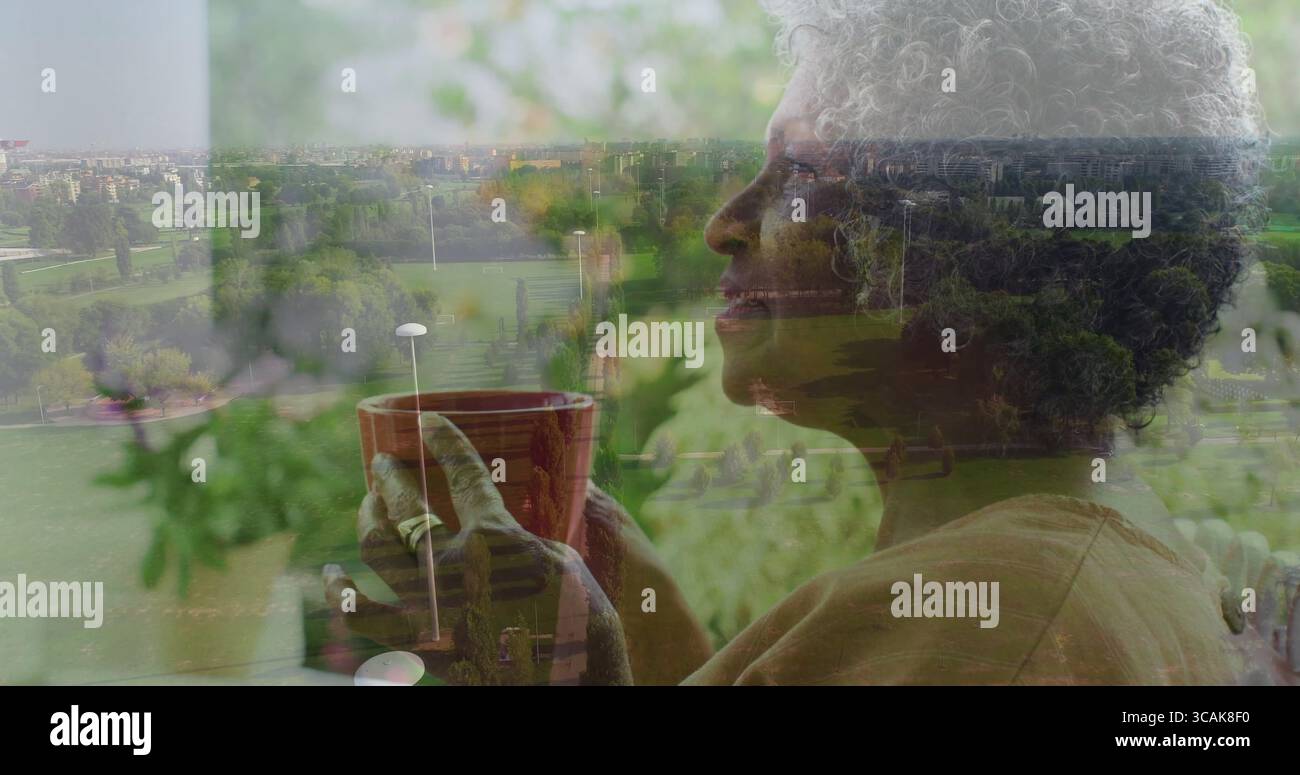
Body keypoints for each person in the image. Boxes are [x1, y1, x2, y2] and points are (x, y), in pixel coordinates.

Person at [324, 0, 1297, 685]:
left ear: (952, 242)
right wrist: (643, 612)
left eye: (793, 177)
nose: (723, 223)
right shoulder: (1088, 551)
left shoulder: (982, 616)